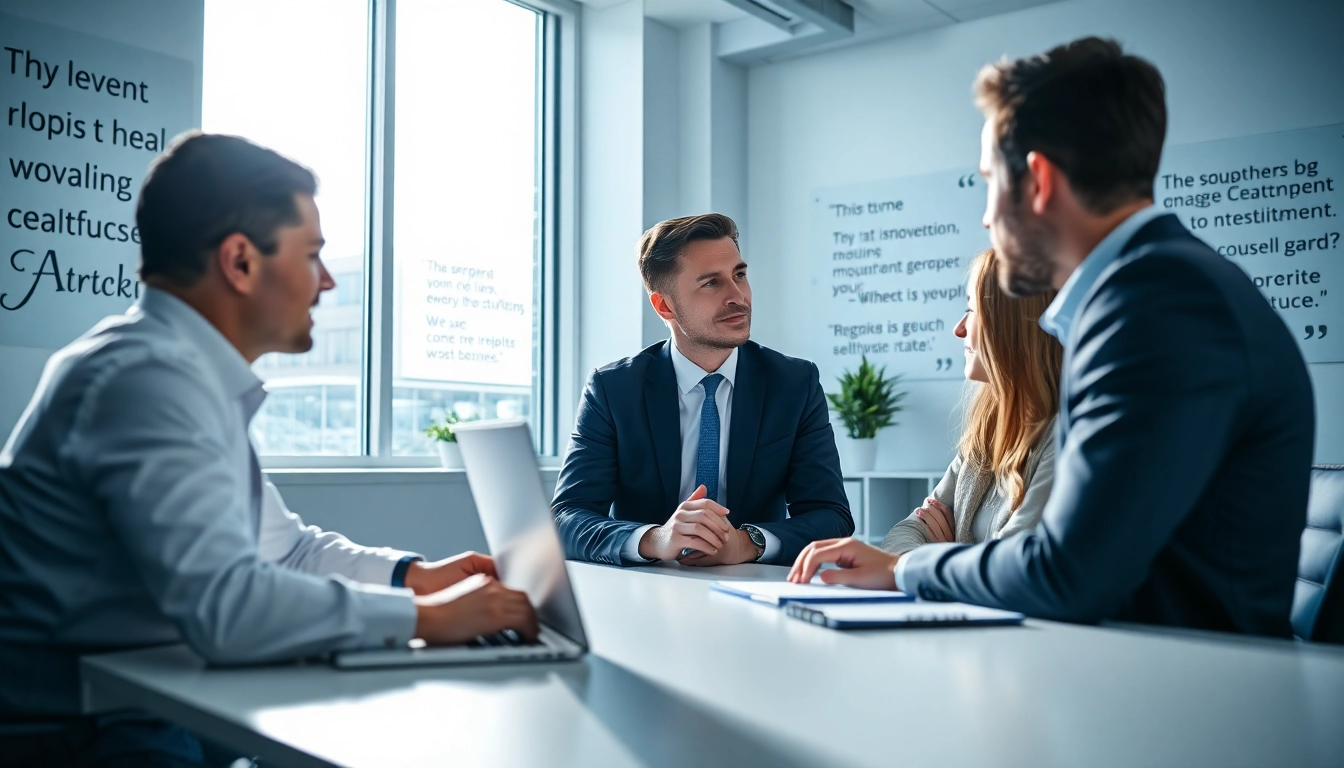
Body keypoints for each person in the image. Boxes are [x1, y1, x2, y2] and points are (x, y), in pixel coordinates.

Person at [0, 133, 539, 765]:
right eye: (312, 255)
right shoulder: (146, 382)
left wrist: (414, 579)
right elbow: (227, 606)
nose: (328, 281)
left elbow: (285, 549)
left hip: (145, 693)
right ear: (240, 262)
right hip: (76, 728)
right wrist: (427, 619)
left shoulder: (177, 373)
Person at [790, 37, 1315, 638]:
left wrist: (905, 567)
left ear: (1036, 180)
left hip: (1188, 702)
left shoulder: (1158, 304)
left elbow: (1064, 571)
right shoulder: (1162, 286)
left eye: (989, 181)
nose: (987, 217)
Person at [552, 213, 853, 567]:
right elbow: (567, 519)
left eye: (739, 275)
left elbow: (831, 515)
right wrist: (655, 539)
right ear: (665, 305)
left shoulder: (794, 384)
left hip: (752, 587)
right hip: (645, 586)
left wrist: (747, 542)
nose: (737, 296)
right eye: (711, 283)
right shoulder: (613, 389)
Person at [881, 248, 1061, 555]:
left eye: (972, 309)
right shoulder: (988, 430)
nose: (958, 328)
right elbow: (906, 531)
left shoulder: (1062, 438)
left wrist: (940, 555)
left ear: (1011, 326)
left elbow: (1014, 565)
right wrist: (949, 564)